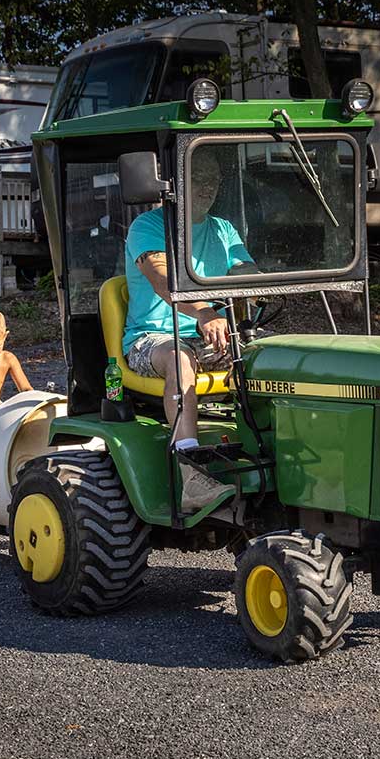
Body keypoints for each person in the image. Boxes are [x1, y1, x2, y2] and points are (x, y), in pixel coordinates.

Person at [121, 147, 252, 507]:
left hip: (208, 334)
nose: (207, 187)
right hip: (153, 340)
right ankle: (191, 477)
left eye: (213, 180)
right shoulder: (148, 227)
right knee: (180, 361)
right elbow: (164, 281)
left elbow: (248, 274)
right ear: (176, 184)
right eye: (198, 179)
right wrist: (207, 313)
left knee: (270, 357)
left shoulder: (224, 230)